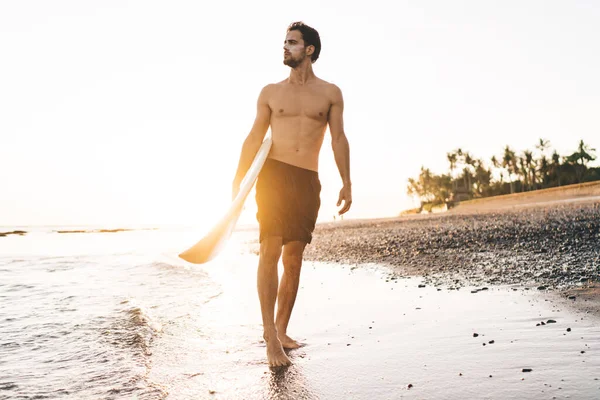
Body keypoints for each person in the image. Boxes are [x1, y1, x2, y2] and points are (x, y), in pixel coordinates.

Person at [232, 21, 352, 367]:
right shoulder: (270, 92)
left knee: (294, 259)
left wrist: (346, 181)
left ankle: (282, 330)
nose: (285, 47)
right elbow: (254, 136)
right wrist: (238, 179)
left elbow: (338, 139)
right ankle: (270, 337)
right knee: (269, 247)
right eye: (284, 42)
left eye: (292, 43)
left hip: (307, 179)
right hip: (274, 174)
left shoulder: (330, 93)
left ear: (309, 49)